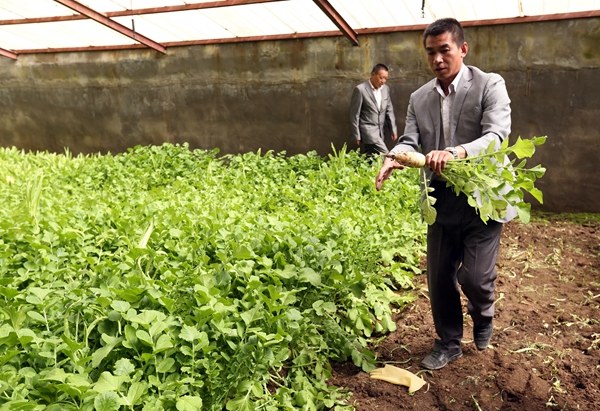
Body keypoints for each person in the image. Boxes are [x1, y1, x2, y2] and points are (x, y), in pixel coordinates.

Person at [375, 18, 516, 370]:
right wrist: (395, 157)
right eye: (431, 53)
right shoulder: (419, 97)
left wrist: (456, 152)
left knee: (475, 277)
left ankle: (483, 313)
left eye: (444, 50)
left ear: (462, 49)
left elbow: (496, 135)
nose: (437, 59)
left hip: (483, 195)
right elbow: (410, 139)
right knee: (438, 277)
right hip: (440, 198)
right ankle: (448, 342)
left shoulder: (489, 84)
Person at [349, 63, 398, 156]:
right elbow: (354, 115)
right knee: (386, 156)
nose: (383, 81)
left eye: (386, 78)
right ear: (373, 74)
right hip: (368, 132)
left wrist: (393, 129)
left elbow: (389, 110)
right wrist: (356, 135)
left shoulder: (385, 89)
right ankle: (394, 169)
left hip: (380, 132)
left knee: (371, 157)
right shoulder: (360, 90)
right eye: (381, 77)